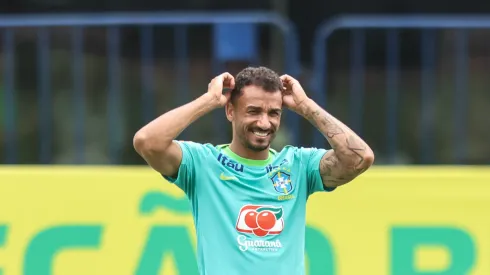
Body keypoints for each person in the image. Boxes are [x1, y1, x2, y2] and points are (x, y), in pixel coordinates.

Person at [133, 66, 374, 275]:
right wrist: (209, 101)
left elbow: (359, 157)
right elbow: (147, 141)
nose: (264, 123)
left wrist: (306, 106)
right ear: (230, 111)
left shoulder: (298, 164)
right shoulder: (202, 163)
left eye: (273, 113)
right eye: (253, 111)